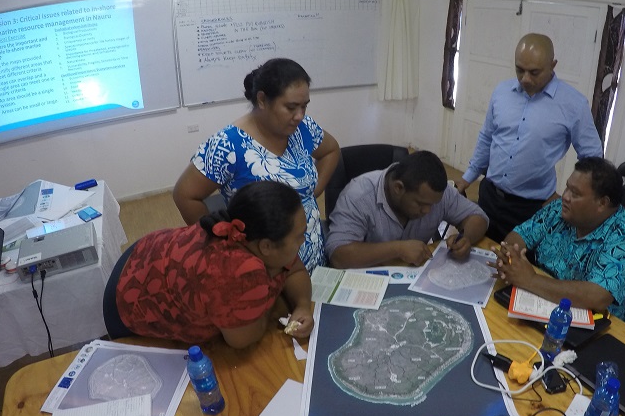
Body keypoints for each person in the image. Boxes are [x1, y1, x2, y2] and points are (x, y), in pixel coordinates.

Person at [172, 58, 340, 271]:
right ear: (262, 100)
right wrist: (218, 241)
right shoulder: (228, 144)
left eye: (304, 106)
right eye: (290, 107)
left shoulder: (303, 127)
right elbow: (185, 194)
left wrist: (312, 192)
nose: (299, 115)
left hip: (313, 256)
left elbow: (331, 150)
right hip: (264, 269)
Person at [104, 181, 314, 347]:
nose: (303, 241)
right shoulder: (238, 274)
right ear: (267, 247)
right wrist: (272, 289)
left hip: (146, 255)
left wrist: (302, 305)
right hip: (128, 300)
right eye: (299, 236)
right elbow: (242, 340)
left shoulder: (249, 232)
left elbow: (294, 269)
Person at [454, 33, 604, 242]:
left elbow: (593, 159)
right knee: (479, 254)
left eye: (534, 72)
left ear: (553, 65)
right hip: (489, 195)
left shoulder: (573, 104)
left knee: (516, 266)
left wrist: (570, 194)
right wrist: (468, 177)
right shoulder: (501, 92)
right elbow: (487, 137)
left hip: (530, 208)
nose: (525, 79)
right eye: (519, 70)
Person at [493, 156, 625, 322]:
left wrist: (531, 280)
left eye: (575, 193)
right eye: (567, 188)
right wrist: (510, 258)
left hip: (596, 325)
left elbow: (597, 296)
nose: (565, 196)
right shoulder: (560, 209)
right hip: (542, 299)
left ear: (602, 203)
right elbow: (519, 235)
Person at [326, 150, 489, 268]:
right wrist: (398, 249)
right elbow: (338, 255)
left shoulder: (435, 195)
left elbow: (478, 217)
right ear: (398, 188)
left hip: (415, 277)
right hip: (368, 282)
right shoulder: (358, 196)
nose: (428, 210)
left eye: (432, 205)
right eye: (420, 204)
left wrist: (465, 237)